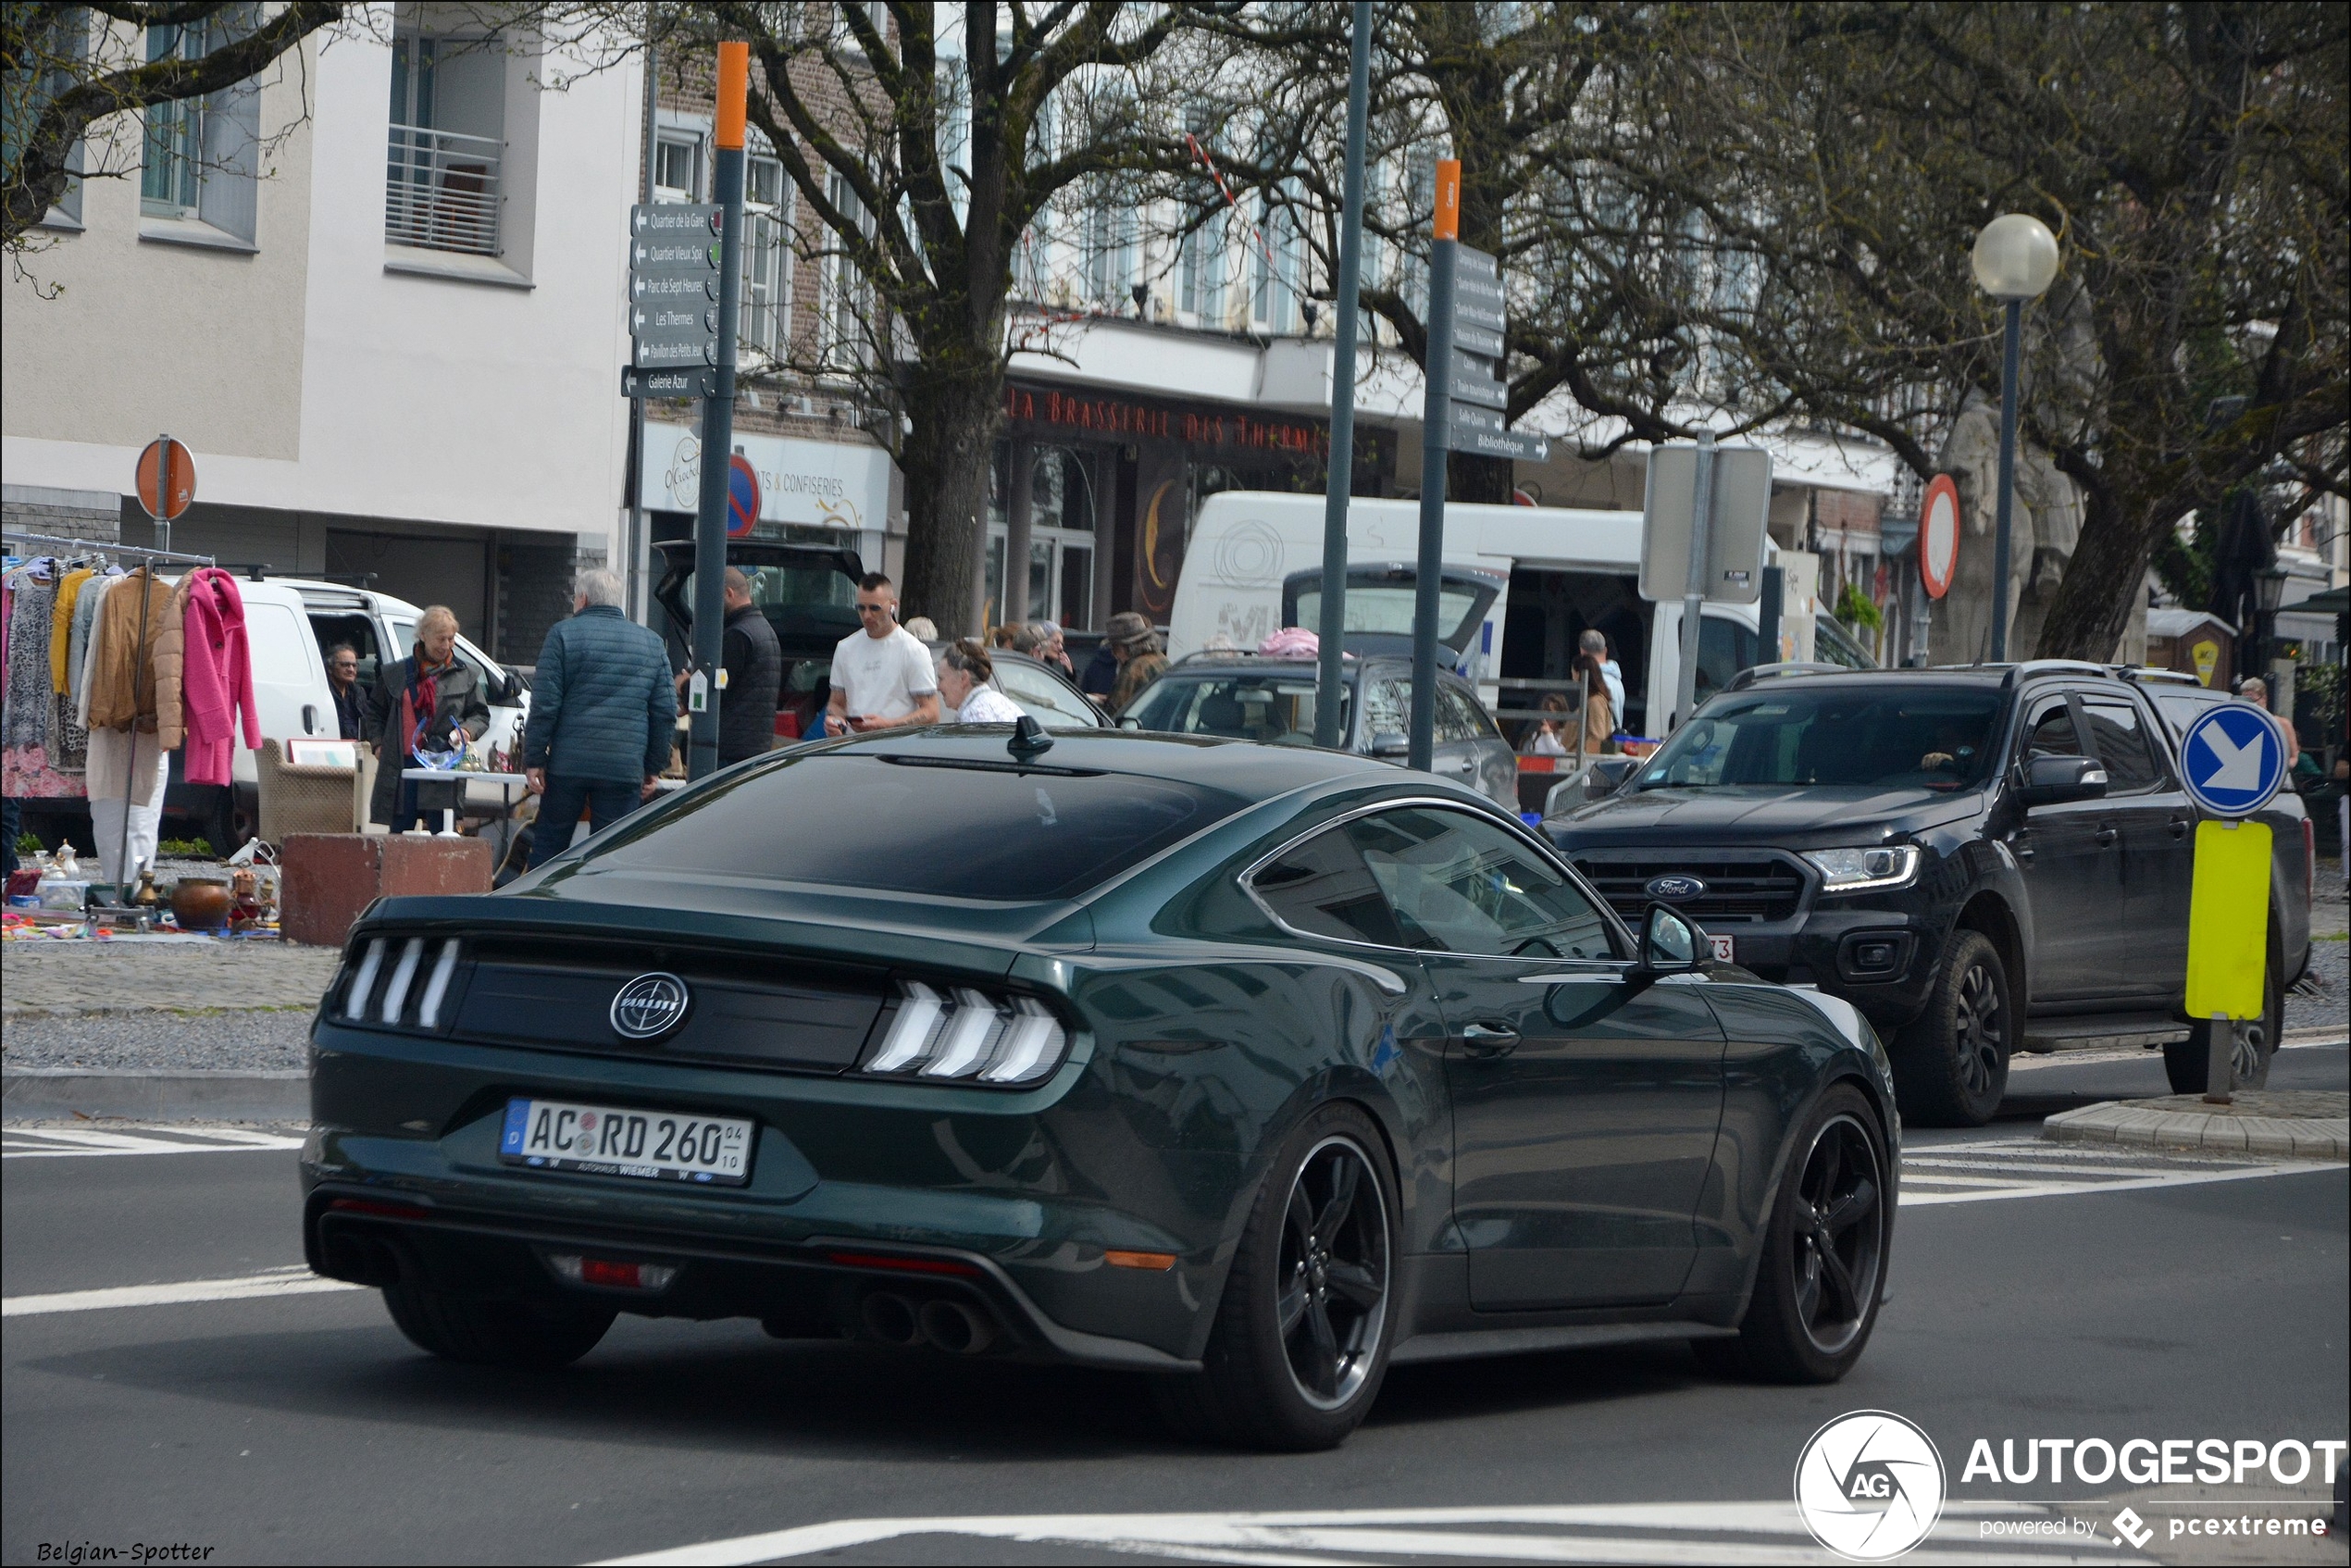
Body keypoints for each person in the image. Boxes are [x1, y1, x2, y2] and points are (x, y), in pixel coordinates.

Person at [522, 568, 677, 869]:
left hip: (567, 766)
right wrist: (652, 767)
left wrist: (535, 758)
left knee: (549, 850)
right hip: (623, 767)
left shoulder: (562, 634)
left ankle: (539, 909)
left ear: (582, 598)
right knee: (611, 855)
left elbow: (545, 704)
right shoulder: (651, 643)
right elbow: (665, 711)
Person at [363, 606, 491, 832]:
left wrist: (467, 731)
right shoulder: (395, 673)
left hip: (444, 764)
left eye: (451, 639)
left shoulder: (467, 674)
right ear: (423, 636)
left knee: (443, 832)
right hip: (402, 764)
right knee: (399, 836)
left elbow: (480, 714)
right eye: (440, 639)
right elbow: (374, 711)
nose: (446, 646)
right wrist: (378, 743)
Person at [825, 573, 939, 733]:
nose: (867, 615)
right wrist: (835, 721)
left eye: (874, 608)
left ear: (893, 605)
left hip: (894, 751)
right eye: (861, 608)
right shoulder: (845, 648)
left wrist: (887, 725)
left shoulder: (913, 650)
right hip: (852, 749)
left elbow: (931, 713)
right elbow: (836, 703)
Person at [711, 566, 781, 765]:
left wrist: (685, 686)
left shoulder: (738, 635)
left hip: (731, 750)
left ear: (729, 593)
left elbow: (718, 688)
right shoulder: (764, 629)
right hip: (756, 747)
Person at [936, 639, 1026, 724]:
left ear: (963, 678)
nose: (938, 687)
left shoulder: (973, 715)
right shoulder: (1001, 702)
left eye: (941, 679)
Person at [1107, 613, 1168, 713]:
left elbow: (1115, 711)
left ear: (1129, 647)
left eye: (1115, 648)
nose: (1114, 654)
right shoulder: (1161, 659)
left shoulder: (1133, 670)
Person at [2237, 678, 2300, 769]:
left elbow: (2294, 756)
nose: (2249, 705)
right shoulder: (2240, 725)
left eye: (2252, 701)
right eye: (2245, 701)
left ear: (2264, 698)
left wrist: (2280, 769)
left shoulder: (2282, 724)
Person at [1081, 613, 1139, 700]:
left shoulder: (1141, 666)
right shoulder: (1099, 664)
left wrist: (1106, 699)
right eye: (1113, 648)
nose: (1114, 653)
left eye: (1116, 649)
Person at [1574, 647, 1616, 755]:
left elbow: (1597, 736)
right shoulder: (1591, 700)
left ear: (1579, 674)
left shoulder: (1595, 702)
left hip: (1584, 762)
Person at [1581, 628, 1625, 721]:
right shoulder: (1616, 680)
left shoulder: (1594, 681)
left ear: (1583, 652)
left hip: (1599, 734)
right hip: (1612, 735)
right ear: (1604, 650)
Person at [325, 643, 365, 740]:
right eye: (345, 665)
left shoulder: (358, 692)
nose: (351, 669)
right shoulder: (324, 691)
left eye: (354, 665)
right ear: (330, 668)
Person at [1520, 692, 1571, 756]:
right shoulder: (1536, 737)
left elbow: (1564, 756)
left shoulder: (1567, 736)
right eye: (1545, 711)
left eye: (1550, 712)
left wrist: (1548, 736)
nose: (1546, 716)